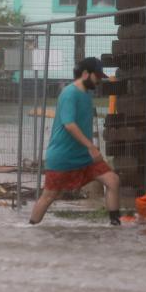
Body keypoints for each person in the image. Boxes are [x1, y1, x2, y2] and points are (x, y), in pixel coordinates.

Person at [30, 57, 121, 226]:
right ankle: (30, 228)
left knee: (112, 180)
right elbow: (69, 125)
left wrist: (88, 150)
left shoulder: (86, 94)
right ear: (86, 74)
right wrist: (91, 147)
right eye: (97, 76)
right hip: (62, 157)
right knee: (50, 196)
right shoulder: (69, 93)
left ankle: (115, 225)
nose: (99, 80)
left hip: (84, 157)